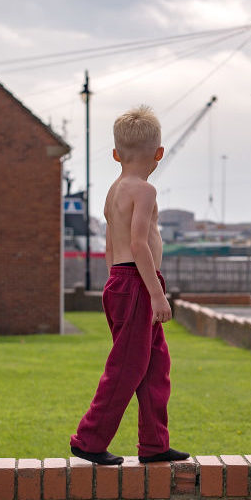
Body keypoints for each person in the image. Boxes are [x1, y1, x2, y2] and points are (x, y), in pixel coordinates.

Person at [70, 105, 189, 466]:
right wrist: (156, 294)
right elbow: (139, 244)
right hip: (138, 284)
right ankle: (89, 439)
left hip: (121, 281)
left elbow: (110, 244)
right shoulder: (145, 190)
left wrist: (116, 283)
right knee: (127, 367)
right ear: (159, 154)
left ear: (116, 154)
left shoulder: (113, 190)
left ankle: (154, 444)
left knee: (154, 366)